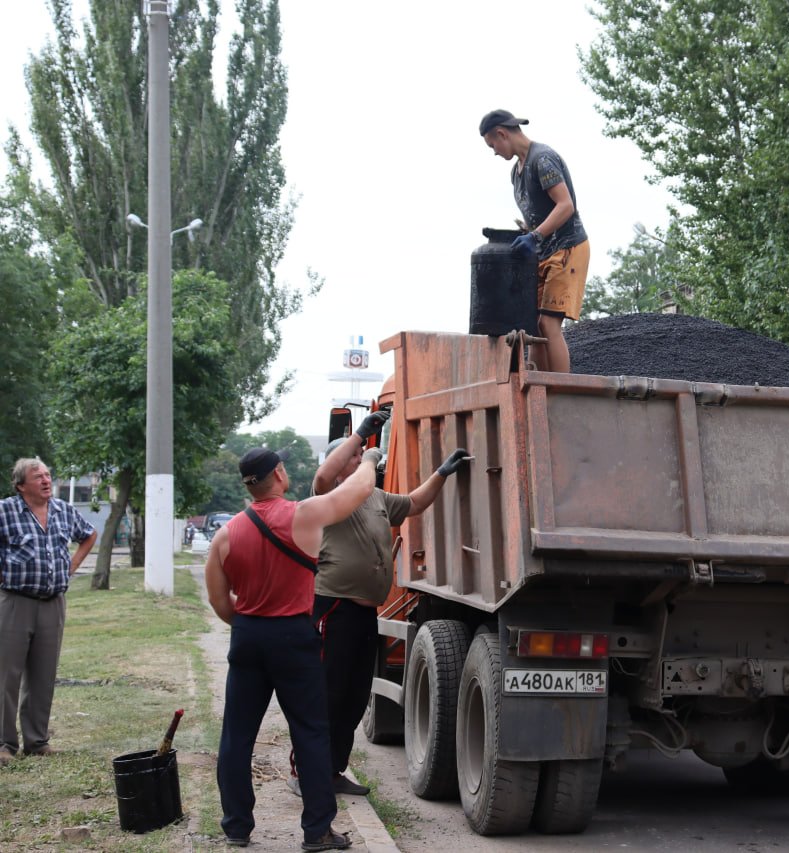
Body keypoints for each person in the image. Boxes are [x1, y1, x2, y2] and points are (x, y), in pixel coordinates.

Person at [287, 409, 470, 797]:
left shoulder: (377, 498)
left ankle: (333, 770)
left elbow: (416, 503)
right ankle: (305, 772)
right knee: (326, 693)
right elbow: (322, 476)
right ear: (340, 465)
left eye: (359, 458)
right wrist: (364, 442)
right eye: (351, 458)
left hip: (363, 613)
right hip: (333, 609)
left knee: (354, 698)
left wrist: (441, 473)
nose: (361, 461)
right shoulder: (329, 498)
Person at [204, 446, 380, 850]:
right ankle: (317, 831)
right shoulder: (303, 515)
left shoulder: (226, 533)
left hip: (248, 636)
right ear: (280, 474)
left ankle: (236, 826)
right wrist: (369, 459)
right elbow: (358, 489)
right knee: (310, 733)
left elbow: (219, 601)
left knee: (237, 735)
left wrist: (250, 625)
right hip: (294, 638)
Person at [0, 458, 98, 766]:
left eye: (47, 475)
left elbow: (88, 534)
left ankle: (37, 741)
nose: (45, 480)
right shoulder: (5, 511)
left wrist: (73, 565)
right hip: (15, 602)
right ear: (20, 485)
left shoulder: (63, 511)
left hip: (53, 603)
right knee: (6, 676)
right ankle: (4, 744)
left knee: (44, 674)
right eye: (37, 476)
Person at [479, 109, 591, 373]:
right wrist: (518, 236)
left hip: (568, 247)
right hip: (543, 252)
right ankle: (539, 386)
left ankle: (561, 390)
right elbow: (535, 217)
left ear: (502, 134)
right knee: (533, 323)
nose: (494, 151)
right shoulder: (516, 173)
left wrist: (535, 235)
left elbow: (565, 206)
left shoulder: (542, 159)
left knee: (549, 324)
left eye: (492, 144)